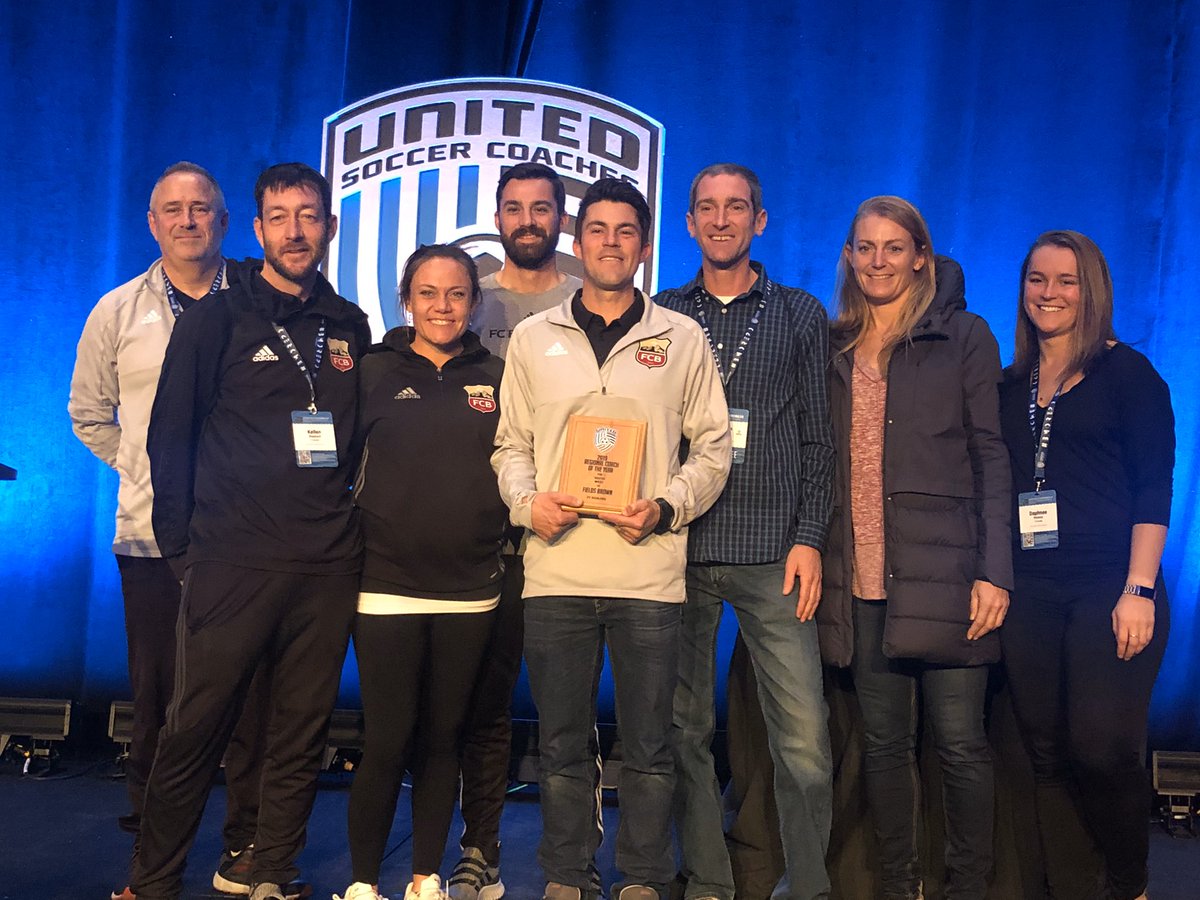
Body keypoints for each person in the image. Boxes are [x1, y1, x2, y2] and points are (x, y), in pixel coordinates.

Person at [134, 162, 371, 900]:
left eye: (309, 216)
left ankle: (270, 870)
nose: (295, 231)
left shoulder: (350, 324)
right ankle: (151, 880)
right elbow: (168, 437)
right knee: (195, 730)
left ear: (329, 226)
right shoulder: (217, 317)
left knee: (299, 733)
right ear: (259, 228)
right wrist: (183, 552)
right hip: (231, 560)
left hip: (326, 567)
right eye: (280, 217)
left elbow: (357, 440)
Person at [492, 177, 731, 900]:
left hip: (648, 576)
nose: (610, 243)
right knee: (562, 744)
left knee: (652, 749)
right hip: (558, 573)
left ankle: (646, 878)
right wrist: (527, 505)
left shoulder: (682, 337)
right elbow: (510, 446)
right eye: (597, 229)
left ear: (646, 246)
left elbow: (714, 448)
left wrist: (665, 506)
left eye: (625, 231)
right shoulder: (535, 339)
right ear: (576, 241)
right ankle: (567, 874)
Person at [67, 161, 279, 900]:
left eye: (202, 209)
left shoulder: (263, 304)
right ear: (152, 224)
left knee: (251, 698)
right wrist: (144, 467)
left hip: (250, 539)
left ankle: (245, 844)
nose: (188, 220)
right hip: (154, 537)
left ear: (225, 223)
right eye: (173, 210)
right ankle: (151, 840)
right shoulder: (116, 311)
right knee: (159, 695)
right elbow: (88, 412)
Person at [817, 196, 1012, 900]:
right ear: (848, 256)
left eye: (893, 248)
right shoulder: (834, 344)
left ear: (921, 257)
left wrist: (996, 573)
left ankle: (967, 888)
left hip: (950, 579)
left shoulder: (963, 337)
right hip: (863, 583)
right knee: (884, 749)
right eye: (864, 248)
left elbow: (992, 457)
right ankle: (898, 886)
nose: (877, 261)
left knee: (961, 747)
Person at [654, 163, 834, 900]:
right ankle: (707, 880)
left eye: (737, 208)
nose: (721, 220)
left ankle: (809, 885)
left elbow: (821, 442)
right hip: (680, 553)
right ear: (690, 223)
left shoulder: (798, 313)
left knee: (806, 746)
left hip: (774, 554)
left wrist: (811, 537)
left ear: (760, 221)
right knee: (683, 733)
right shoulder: (660, 314)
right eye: (707, 208)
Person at [999, 231, 1173, 900]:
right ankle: (1072, 883)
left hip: (1111, 583)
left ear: (1091, 288)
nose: (1049, 293)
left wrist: (1138, 588)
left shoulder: (1128, 374)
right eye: (1037, 279)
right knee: (1044, 751)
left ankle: (1130, 881)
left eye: (1065, 281)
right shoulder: (1012, 385)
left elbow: (1153, 487)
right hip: (1033, 586)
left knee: (1101, 748)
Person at [336, 245, 507, 900]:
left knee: (443, 739)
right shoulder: (372, 370)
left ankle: (425, 878)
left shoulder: (496, 374)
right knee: (386, 740)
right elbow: (335, 463)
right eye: (429, 293)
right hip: (383, 584)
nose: (443, 306)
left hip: (471, 589)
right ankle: (359, 883)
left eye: (457, 294)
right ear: (407, 299)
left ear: (473, 302)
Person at [450, 163, 583, 900]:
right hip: (482, 534)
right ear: (496, 217)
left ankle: (575, 863)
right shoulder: (470, 296)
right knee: (484, 704)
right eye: (513, 208)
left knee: (572, 713)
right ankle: (482, 848)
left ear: (560, 220)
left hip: (568, 533)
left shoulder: (586, 297)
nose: (527, 219)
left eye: (541, 208)